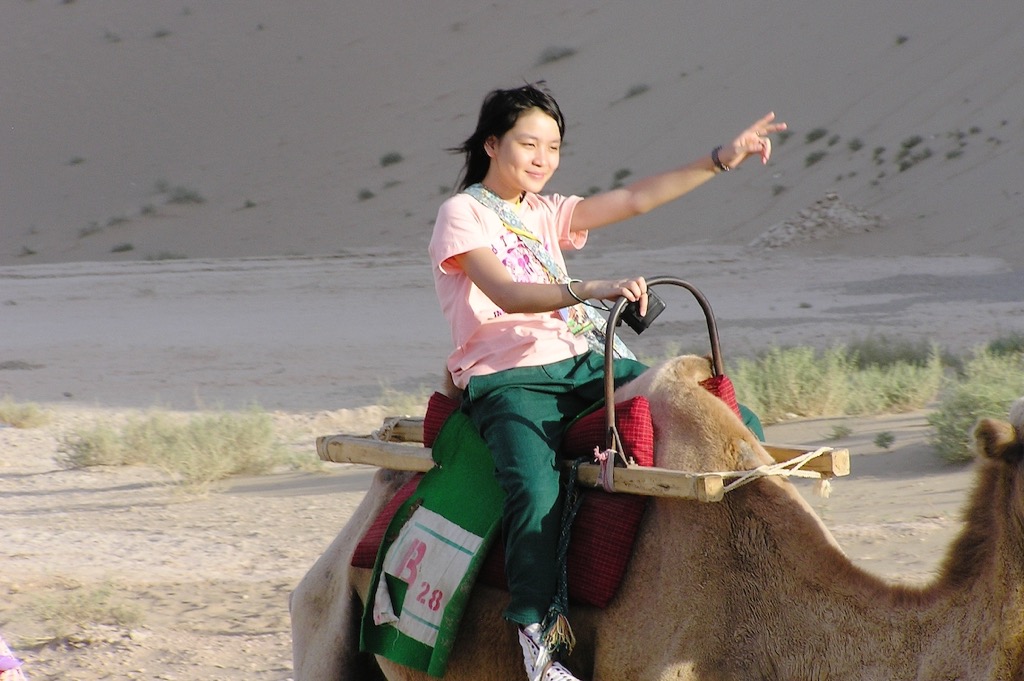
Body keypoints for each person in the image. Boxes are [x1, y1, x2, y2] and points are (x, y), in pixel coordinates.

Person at [428, 82, 785, 681]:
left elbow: (634, 198)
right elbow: (508, 293)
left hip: (589, 361)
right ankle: (536, 637)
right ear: (492, 144)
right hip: (511, 379)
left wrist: (723, 157)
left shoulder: (545, 212)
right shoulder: (461, 213)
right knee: (535, 492)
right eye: (528, 144)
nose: (543, 158)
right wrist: (591, 287)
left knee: (710, 414)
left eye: (554, 147)